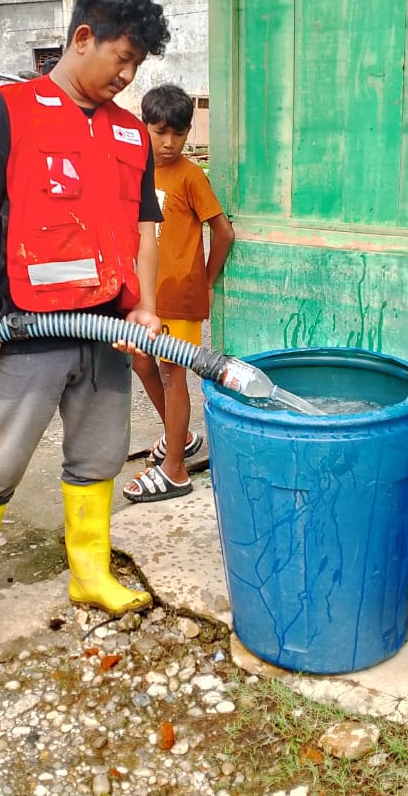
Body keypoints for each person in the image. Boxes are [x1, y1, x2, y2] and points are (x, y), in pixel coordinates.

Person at [0, 0, 170, 662]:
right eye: (119, 60)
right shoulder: (10, 110)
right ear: (81, 38)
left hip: (106, 330)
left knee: (99, 454)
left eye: (136, 67)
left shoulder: (132, 134)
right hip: (27, 326)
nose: (126, 77)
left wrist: (148, 308)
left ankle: (90, 572)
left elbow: (145, 229)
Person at [123, 84, 235, 502]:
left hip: (181, 295)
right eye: (159, 132)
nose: (169, 143)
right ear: (145, 127)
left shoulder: (189, 175)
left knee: (173, 374)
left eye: (179, 133)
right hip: (145, 297)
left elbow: (222, 231)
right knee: (141, 362)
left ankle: (174, 470)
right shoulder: (137, 169)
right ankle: (180, 436)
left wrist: (205, 281)